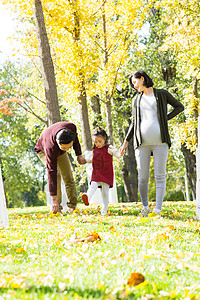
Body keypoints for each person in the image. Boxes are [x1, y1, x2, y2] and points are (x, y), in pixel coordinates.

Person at [120, 70, 184, 216]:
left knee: (160, 176)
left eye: (135, 82)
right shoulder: (136, 99)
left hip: (160, 142)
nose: (134, 86)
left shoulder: (161, 94)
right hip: (141, 143)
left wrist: (164, 119)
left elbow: (179, 107)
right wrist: (125, 143)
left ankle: (158, 210)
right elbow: (134, 122)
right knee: (143, 177)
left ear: (142, 79)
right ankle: (145, 207)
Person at [34, 121, 86, 214]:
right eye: (64, 148)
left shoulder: (71, 128)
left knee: (68, 176)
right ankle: (57, 208)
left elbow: (76, 140)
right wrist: (54, 199)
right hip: (43, 151)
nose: (67, 150)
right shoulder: (50, 147)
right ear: (58, 143)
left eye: (69, 147)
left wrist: (79, 154)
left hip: (58, 149)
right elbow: (51, 172)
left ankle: (73, 207)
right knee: (57, 174)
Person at [82, 127, 121, 216]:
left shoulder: (109, 148)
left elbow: (116, 154)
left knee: (105, 192)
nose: (97, 144)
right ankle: (87, 197)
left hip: (106, 173)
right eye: (95, 142)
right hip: (96, 172)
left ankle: (104, 209)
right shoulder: (95, 149)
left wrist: (119, 153)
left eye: (99, 141)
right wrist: (85, 161)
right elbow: (94, 159)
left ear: (105, 139)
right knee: (93, 186)